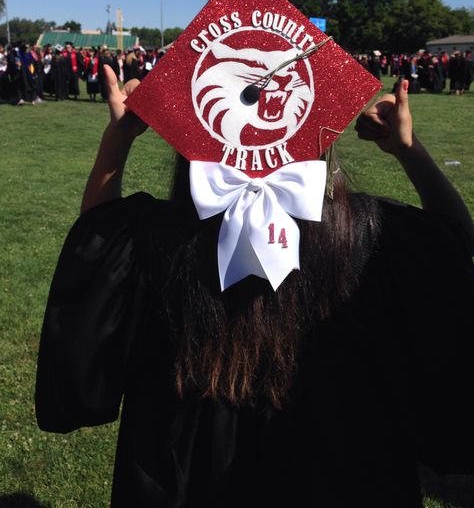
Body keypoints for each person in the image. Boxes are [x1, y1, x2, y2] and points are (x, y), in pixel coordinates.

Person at [35, 63, 474, 507]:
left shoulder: (161, 234)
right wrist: (408, 150)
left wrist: (119, 138)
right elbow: (454, 241)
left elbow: (95, 240)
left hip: (189, 473)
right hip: (344, 466)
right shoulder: (369, 231)